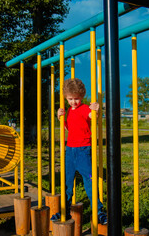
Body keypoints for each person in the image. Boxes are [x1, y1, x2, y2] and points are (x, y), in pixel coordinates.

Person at [51, 78, 107, 225]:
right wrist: (59, 116)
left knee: (89, 180)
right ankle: (65, 210)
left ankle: (99, 211)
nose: (73, 102)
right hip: (69, 151)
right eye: (70, 99)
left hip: (83, 151)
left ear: (81, 97)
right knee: (67, 182)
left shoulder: (85, 109)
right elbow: (67, 128)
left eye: (76, 98)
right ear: (66, 97)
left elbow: (94, 116)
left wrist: (97, 109)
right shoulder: (68, 111)